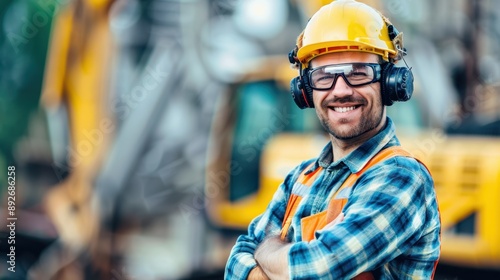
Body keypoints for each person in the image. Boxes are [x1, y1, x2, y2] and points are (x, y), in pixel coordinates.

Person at [224, 0, 441, 279]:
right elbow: (234, 265)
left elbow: (318, 268)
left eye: (358, 74)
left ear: (388, 83)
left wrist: (266, 251)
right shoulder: (299, 178)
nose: (340, 91)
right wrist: (284, 264)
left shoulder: (402, 177)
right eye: (324, 77)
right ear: (305, 90)